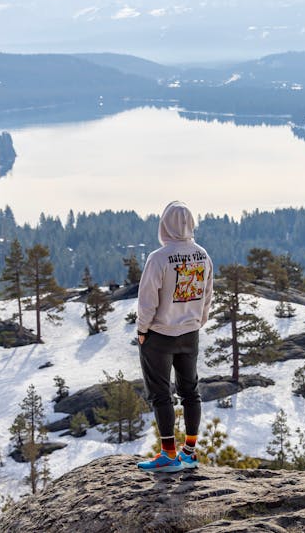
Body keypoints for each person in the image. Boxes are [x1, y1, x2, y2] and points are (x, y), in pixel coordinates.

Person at [136, 200, 213, 472]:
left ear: (164, 225)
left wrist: (142, 330)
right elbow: (207, 295)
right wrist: (197, 322)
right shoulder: (202, 255)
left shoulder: (158, 258)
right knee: (190, 391)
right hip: (190, 333)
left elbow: (147, 301)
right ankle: (190, 453)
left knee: (161, 394)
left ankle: (169, 454)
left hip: (160, 335)